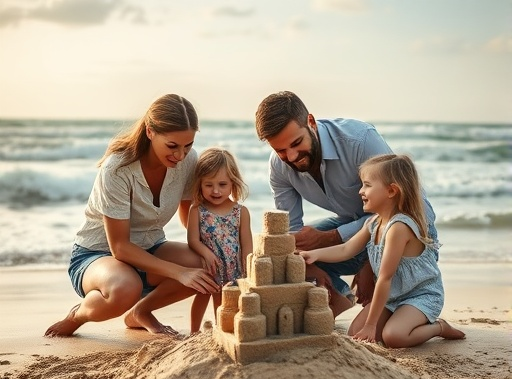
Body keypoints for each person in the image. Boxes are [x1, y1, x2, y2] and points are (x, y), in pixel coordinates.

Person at [45, 94, 219, 338]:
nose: (180, 155)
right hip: (97, 255)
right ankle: (78, 315)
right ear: (150, 131)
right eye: (172, 146)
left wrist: (221, 242)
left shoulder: (189, 161)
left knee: (209, 266)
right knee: (126, 288)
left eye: (187, 145)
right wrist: (179, 272)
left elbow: (187, 219)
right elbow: (120, 248)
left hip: (151, 247)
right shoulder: (117, 168)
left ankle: (140, 312)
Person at [255, 91, 438, 317]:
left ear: (311, 122)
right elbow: (291, 231)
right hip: (357, 231)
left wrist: (371, 261)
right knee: (281, 256)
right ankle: (340, 297)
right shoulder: (278, 167)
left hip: (402, 232)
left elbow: (414, 208)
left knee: (392, 330)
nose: (291, 157)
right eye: (280, 150)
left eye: (296, 143)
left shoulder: (359, 140)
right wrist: (308, 266)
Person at [299, 154, 465, 348]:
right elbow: (346, 249)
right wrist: (315, 254)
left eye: (367, 185)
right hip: (394, 296)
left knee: (394, 337)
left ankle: (439, 327)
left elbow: (385, 278)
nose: (361, 191)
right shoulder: (373, 223)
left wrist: (371, 325)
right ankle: (398, 317)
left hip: (420, 295)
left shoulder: (398, 228)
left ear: (391, 190)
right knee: (354, 333)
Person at [187, 148, 253, 334]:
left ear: (233, 183)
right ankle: (193, 332)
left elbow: (247, 243)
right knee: (203, 296)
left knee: (226, 300)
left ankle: (222, 330)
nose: (215, 191)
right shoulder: (197, 210)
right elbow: (192, 240)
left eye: (222, 184)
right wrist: (206, 253)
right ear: (199, 184)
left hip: (234, 268)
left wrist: (248, 271)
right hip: (209, 266)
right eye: (208, 185)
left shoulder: (240, 212)